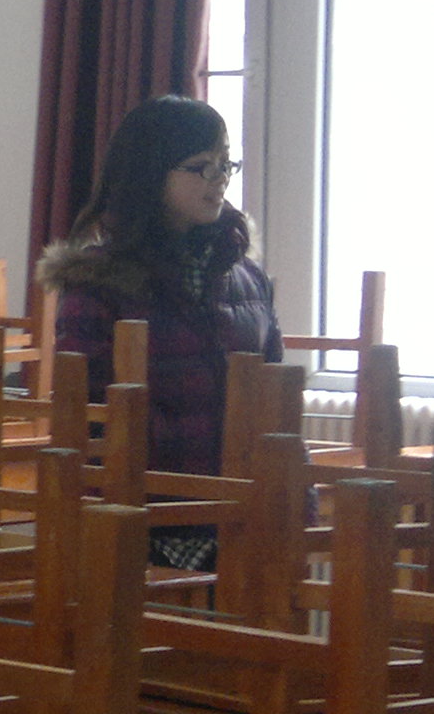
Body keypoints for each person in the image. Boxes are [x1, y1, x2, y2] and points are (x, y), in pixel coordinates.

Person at [36, 94, 278, 567]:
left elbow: (274, 403)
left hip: (245, 510)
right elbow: (86, 419)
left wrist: (294, 500)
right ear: (151, 172)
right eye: (201, 167)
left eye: (226, 164)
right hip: (143, 516)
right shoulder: (99, 282)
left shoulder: (247, 277)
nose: (220, 179)